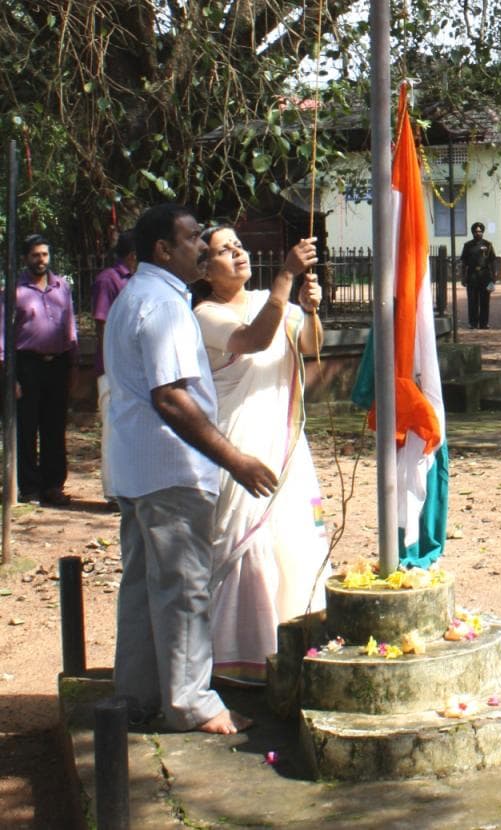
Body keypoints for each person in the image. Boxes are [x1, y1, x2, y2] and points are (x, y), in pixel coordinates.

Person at [106, 203, 279, 733]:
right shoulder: (162, 306)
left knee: (143, 587)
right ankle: (192, 703)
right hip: (171, 471)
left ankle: (136, 697)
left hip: (140, 473)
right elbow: (172, 400)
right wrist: (237, 459)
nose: (204, 246)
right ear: (163, 249)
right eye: (192, 239)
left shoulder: (137, 297)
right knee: (184, 591)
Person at [193, 224, 328, 686]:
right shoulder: (206, 314)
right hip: (240, 446)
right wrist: (286, 277)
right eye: (223, 251)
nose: (237, 253)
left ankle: (292, 648)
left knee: (292, 541)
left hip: (285, 443)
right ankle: (237, 658)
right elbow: (253, 340)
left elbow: (309, 346)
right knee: (245, 546)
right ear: (206, 270)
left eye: (239, 245)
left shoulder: (270, 302)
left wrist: (310, 310)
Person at [0, 234, 78, 505]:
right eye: (35, 255)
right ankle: (30, 487)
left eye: (44, 254)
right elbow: (3, 334)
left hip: (57, 363)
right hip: (26, 365)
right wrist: (8, 375)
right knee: (27, 426)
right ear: (25, 258)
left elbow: (70, 327)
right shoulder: (13, 290)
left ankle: (53, 485)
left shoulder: (62, 287)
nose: (41, 260)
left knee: (54, 426)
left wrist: (72, 364)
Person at [93, 230, 137, 507]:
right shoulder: (108, 280)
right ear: (134, 255)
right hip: (112, 369)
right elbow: (101, 325)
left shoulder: (136, 280)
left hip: (132, 370)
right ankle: (112, 490)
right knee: (112, 427)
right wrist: (112, 363)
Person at [460, 221, 496, 329]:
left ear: (483, 232)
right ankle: (473, 323)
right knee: (472, 300)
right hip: (472, 275)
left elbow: (492, 261)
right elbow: (464, 262)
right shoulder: (467, 245)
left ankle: (484, 323)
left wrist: (493, 277)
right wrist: (463, 277)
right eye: (476, 231)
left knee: (485, 300)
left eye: (480, 231)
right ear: (472, 232)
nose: (478, 233)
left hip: (485, 275)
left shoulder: (488, 244)